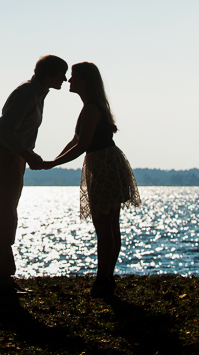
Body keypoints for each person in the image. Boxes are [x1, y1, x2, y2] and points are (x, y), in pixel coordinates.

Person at [42, 61, 141, 297]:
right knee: (109, 225)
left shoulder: (91, 109)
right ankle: (106, 278)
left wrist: (53, 163)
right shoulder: (92, 107)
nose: (69, 80)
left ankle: (103, 279)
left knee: (104, 227)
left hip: (103, 165)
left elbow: (82, 145)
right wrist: (53, 160)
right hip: (106, 163)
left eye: (74, 76)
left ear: (86, 81)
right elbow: (76, 140)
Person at [0, 54, 68, 296]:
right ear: (48, 75)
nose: (65, 79)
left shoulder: (37, 94)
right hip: (6, 157)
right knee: (3, 216)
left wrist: (25, 155)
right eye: (61, 74)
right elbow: (4, 129)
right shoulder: (26, 94)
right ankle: (0, 278)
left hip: (14, 158)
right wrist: (28, 154)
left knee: (8, 215)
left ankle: (4, 276)